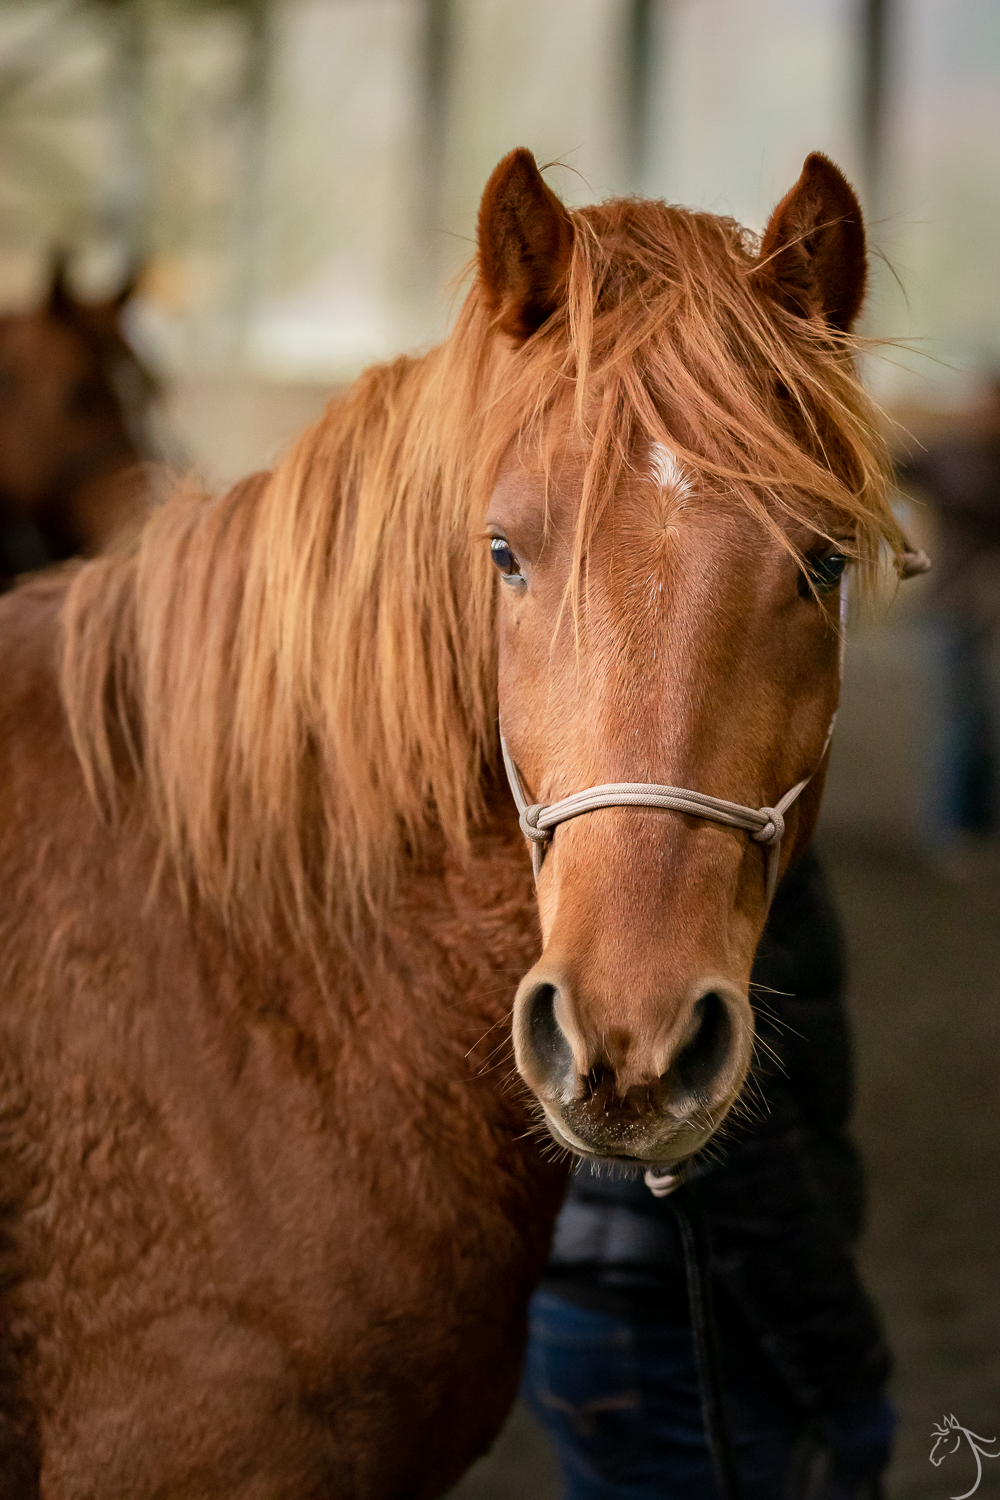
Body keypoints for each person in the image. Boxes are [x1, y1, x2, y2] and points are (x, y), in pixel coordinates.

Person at [521, 847, 895, 1500]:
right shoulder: (723, 863)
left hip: (570, 1301)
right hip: (686, 1325)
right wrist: (848, 1377)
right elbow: (755, 1176)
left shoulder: (557, 848)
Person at [896, 379, 1000, 861]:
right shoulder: (950, 456)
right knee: (961, 718)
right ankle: (952, 825)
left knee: (981, 718)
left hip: (987, 603)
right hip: (956, 606)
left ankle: (979, 822)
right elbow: (888, 466)